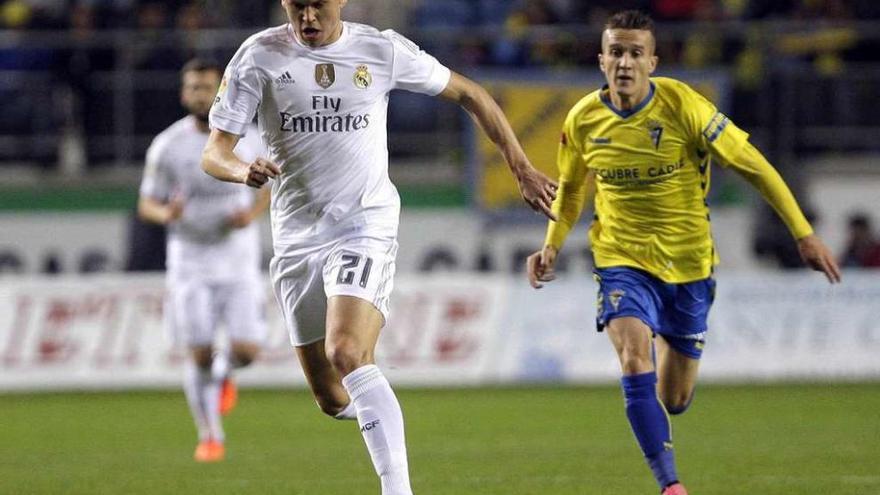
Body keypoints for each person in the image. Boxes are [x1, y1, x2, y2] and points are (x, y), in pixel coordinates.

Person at [201, 1, 557, 494]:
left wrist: (520, 167)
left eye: (317, 5)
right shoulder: (257, 56)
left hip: (363, 224)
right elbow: (215, 150)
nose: (307, 16)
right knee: (330, 396)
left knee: (346, 351)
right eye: (296, 5)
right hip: (296, 238)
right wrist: (244, 170)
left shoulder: (380, 49)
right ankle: (376, 406)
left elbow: (471, 93)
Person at [525, 10, 841, 495]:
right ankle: (670, 486)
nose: (625, 62)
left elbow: (754, 166)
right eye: (616, 52)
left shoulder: (683, 106)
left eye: (635, 53)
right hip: (620, 261)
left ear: (652, 61)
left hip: (690, 266)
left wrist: (803, 233)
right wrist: (550, 245)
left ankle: (660, 403)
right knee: (633, 357)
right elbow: (571, 191)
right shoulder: (583, 119)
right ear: (601, 60)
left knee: (674, 398)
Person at [138, 58, 270, 463]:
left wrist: (251, 214)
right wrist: (167, 215)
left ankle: (225, 372)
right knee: (197, 351)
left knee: (247, 350)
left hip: (237, 256)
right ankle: (210, 433)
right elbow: (147, 203)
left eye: (206, 87)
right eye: (192, 87)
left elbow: (272, 186)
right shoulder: (167, 146)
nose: (199, 94)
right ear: (183, 94)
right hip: (190, 259)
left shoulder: (249, 140)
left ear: (222, 92)